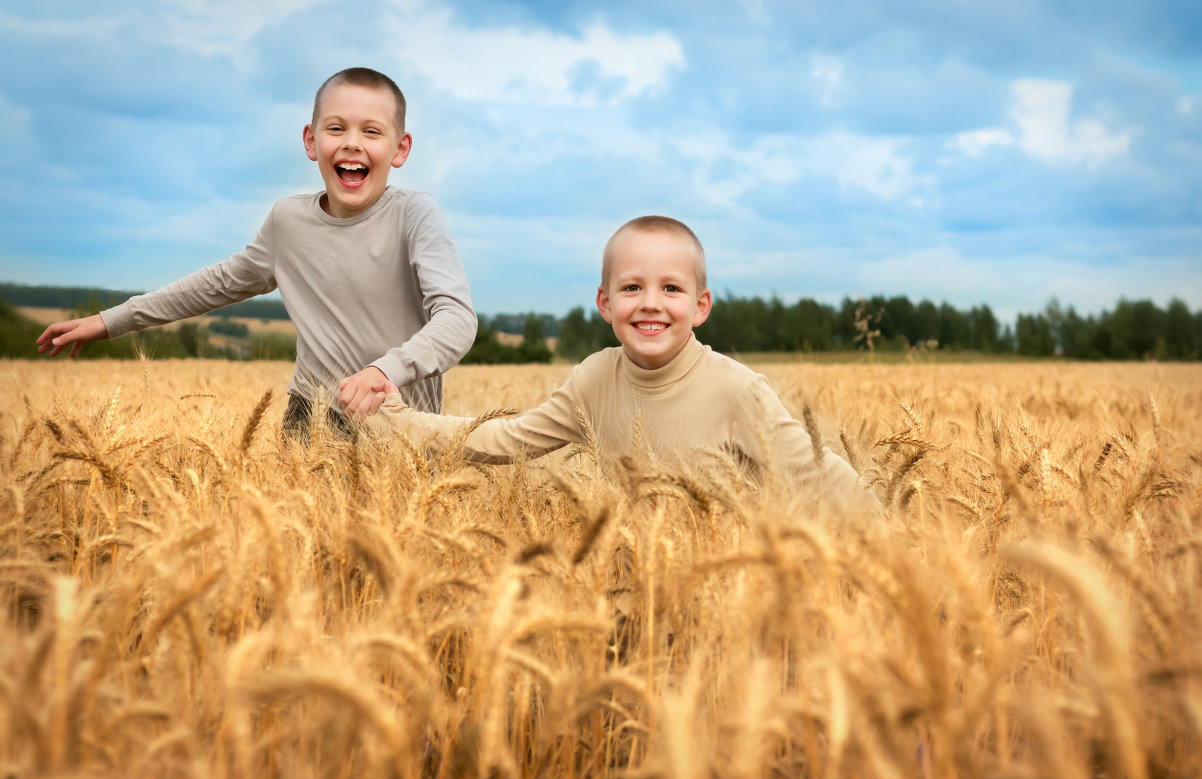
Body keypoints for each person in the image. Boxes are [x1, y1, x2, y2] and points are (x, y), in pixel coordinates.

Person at [36, 67, 477, 435]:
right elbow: (215, 285)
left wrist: (385, 372)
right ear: (310, 140)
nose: (352, 143)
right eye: (336, 128)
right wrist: (108, 321)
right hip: (310, 419)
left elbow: (457, 321)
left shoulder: (415, 215)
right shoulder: (288, 222)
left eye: (372, 131)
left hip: (403, 422)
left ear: (400, 149)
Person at [367, 215, 879, 511]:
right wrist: (397, 418)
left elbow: (815, 473)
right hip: (642, 592)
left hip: (734, 593)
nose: (650, 303)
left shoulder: (737, 391)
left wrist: (903, 546)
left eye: (671, 289)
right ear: (605, 302)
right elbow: (507, 439)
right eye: (632, 287)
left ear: (701, 307)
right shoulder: (594, 379)